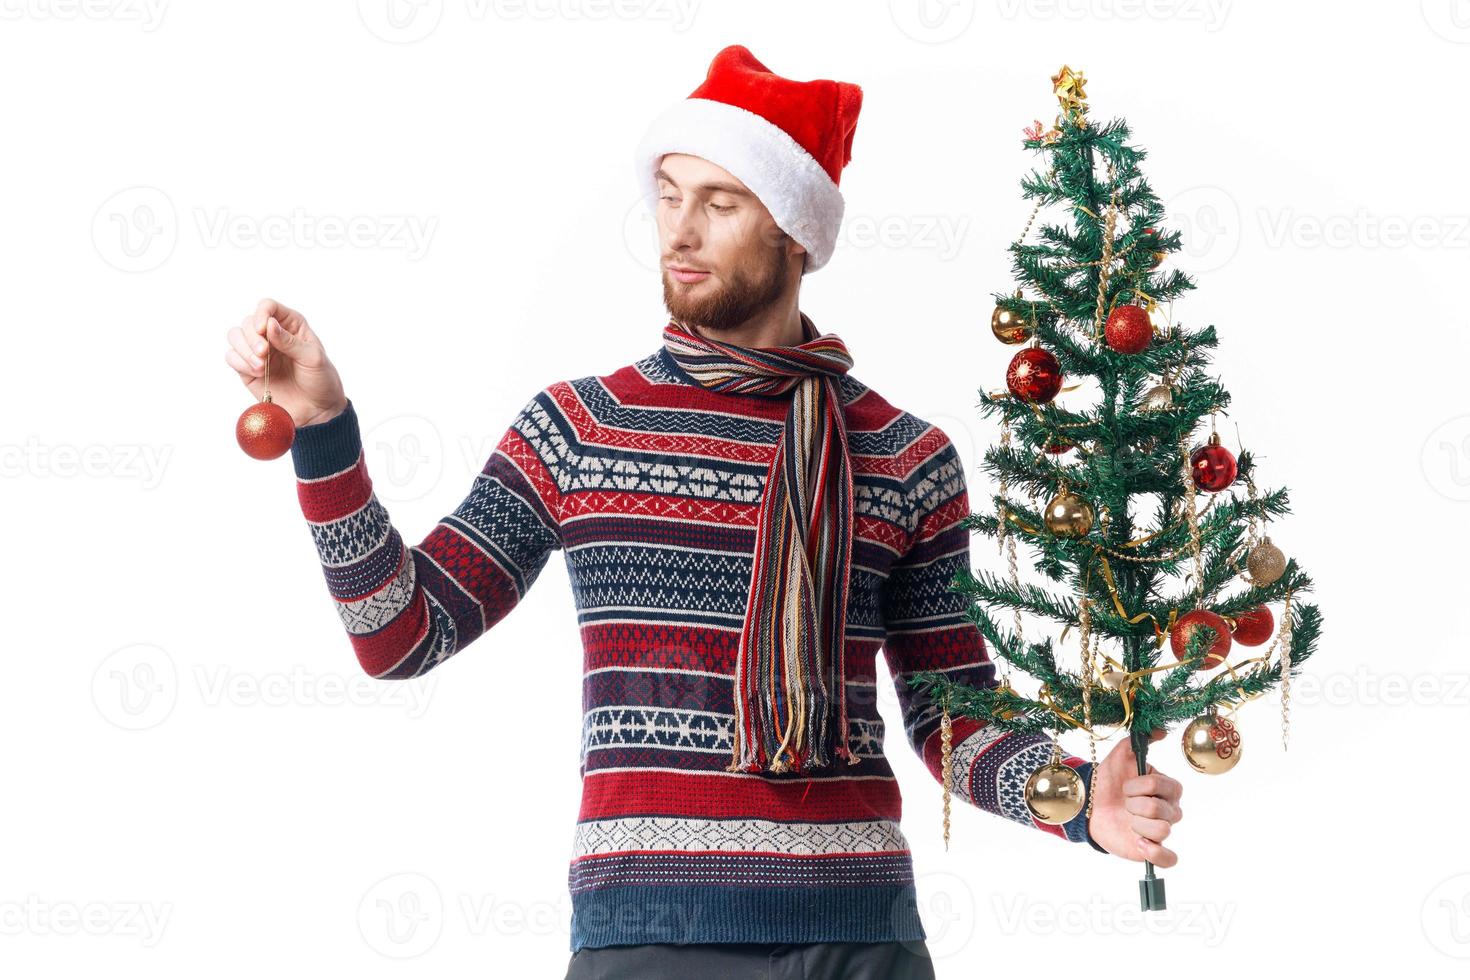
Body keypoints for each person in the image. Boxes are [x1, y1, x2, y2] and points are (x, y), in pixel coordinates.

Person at [223, 44, 1183, 980]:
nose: (678, 231)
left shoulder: (904, 454)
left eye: (719, 203)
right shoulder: (580, 428)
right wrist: (323, 431)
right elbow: (400, 635)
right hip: (647, 936)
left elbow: (950, 717)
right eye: (669, 196)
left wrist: (1075, 805)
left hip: (861, 935)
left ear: (797, 231)